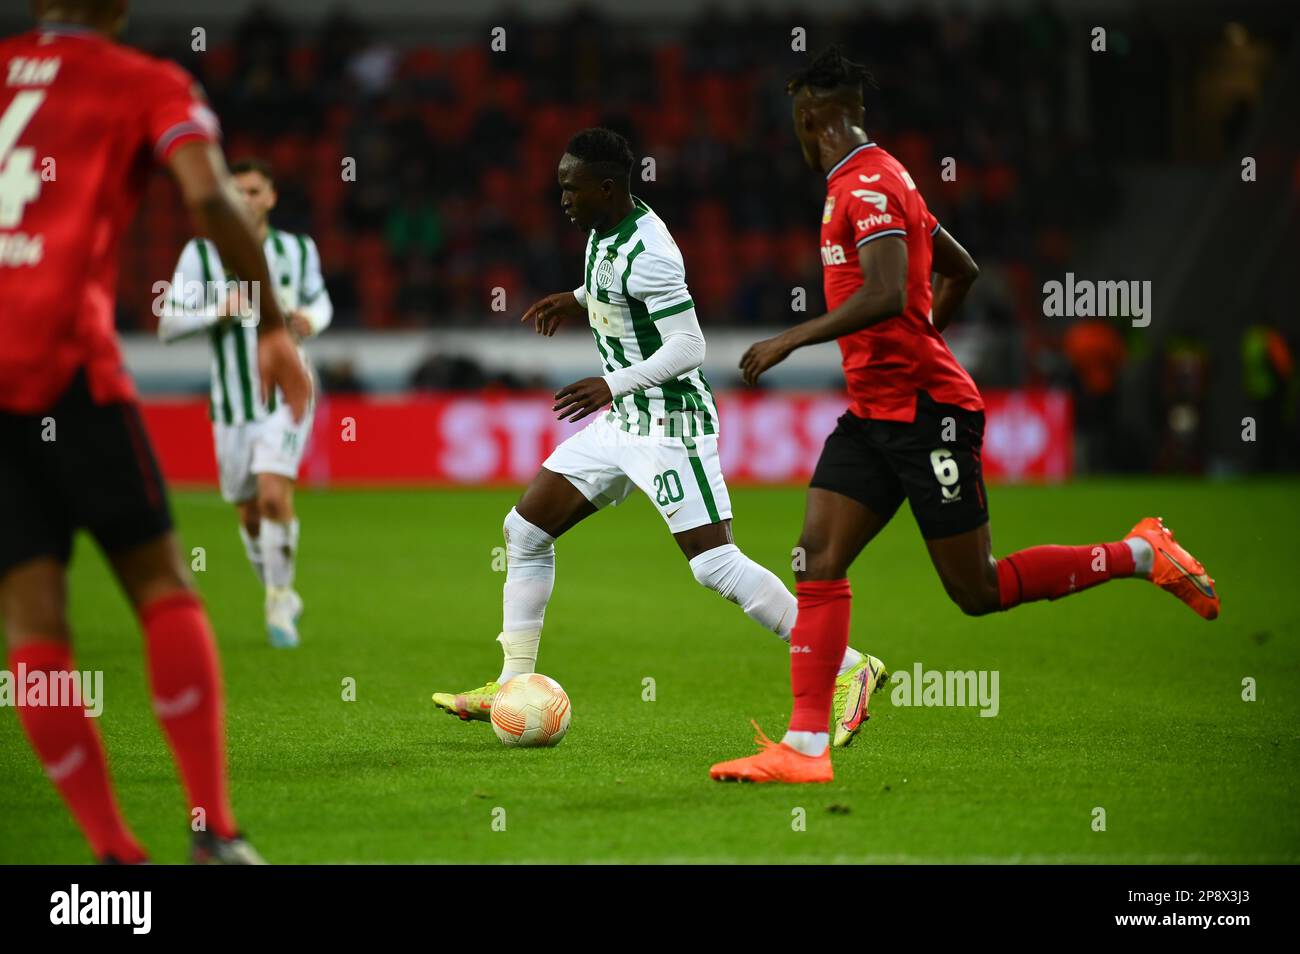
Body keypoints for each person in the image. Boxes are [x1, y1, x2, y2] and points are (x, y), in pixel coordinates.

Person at [709, 48, 1219, 785]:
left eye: (797, 120)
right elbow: (962, 268)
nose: (796, 132)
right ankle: (806, 749)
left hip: (928, 414)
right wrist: (916, 342)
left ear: (813, 116)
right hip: (876, 413)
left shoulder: (872, 184)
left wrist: (795, 338)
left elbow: (887, 291)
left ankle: (1139, 554)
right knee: (817, 556)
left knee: (975, 590)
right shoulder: (867, 180)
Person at [432, 128, 886, 745]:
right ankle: (513, 682)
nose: (561, 197)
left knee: (713, 565)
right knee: (525, 529)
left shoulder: (652, 250)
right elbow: (617, 296)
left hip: (670, 422)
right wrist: (577, 299)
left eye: (571, 188)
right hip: (622, 421)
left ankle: (850, 665)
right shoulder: (603, 232)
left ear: (607, 187)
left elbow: (690, 345)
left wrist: (614, 384)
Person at [0, 0, 311, 860]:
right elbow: (207, 197)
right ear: (117, 7)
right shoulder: (144, 81)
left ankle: (113, 854)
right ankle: (214, 829)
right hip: (65, 364)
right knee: (162, 583)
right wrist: (274, 325)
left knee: (31, 620)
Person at [160, 158, 332, 648]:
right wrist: (218, 309)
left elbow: (321, 300)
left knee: (274, 494)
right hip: (232, 400)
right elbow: (168, 323)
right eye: (236, 192)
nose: (246, 200)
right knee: (248, 510)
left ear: (271, 197)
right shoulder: (201, 254)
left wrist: (311, 321)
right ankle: (278, 589)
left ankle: (278, 599)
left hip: (288, 387)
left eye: (254, 191)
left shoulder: (297, 251)